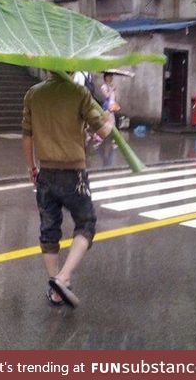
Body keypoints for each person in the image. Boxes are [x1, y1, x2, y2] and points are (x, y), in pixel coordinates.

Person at [22, 72, 114, 308]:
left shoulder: (34, 94)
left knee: (49, 230)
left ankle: (55, 288)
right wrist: (110, 122)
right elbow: (102, 131)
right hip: (74, 174)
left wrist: (32, 167)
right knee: (86, 223)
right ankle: (63, 278)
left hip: (45, 172)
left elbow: (27, 135)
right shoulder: (79, 93)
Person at [101, 71, 120, 148]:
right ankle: (99, 138)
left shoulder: (111, 86)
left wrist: (115, 91)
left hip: (112, 107)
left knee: (111, 124)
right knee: (109, 124)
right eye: (110, 76)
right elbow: (106, 96)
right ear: (106, 77)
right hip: (107, 107)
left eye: (112, 76)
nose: (111, 78)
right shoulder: (104, 87)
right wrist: (112, 89)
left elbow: (115, 97)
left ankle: (112, 141)